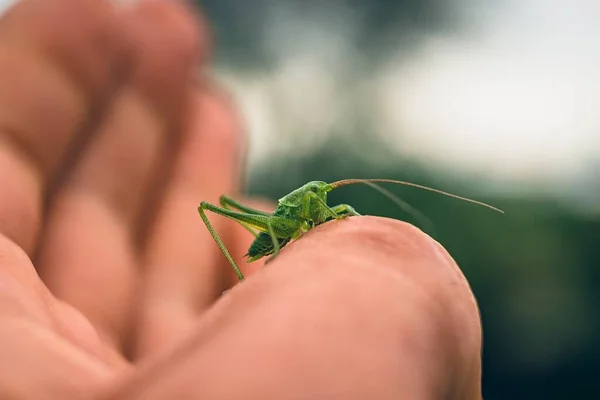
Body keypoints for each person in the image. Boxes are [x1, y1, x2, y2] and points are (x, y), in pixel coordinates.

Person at [0, 0, 483, 398]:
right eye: (328, 194)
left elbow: (339, 215)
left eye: (329, 196)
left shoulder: (324, 205)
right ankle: (238, 277)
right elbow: (293, 221)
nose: (329, 199)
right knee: (212, 207)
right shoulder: (302, 209)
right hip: (269, 233)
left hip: (281, 240)